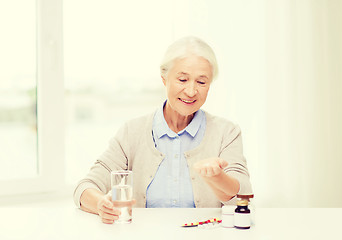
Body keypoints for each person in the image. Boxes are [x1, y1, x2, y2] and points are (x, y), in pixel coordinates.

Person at [73, 36, 253, 224]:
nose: (191, 91)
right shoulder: (132, 132)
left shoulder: (227, 132)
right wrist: (101, 204)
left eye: (201, 82)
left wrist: (217, 177)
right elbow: (85, 187)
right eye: (182, 79)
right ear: (164, 79)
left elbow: (244, 192)